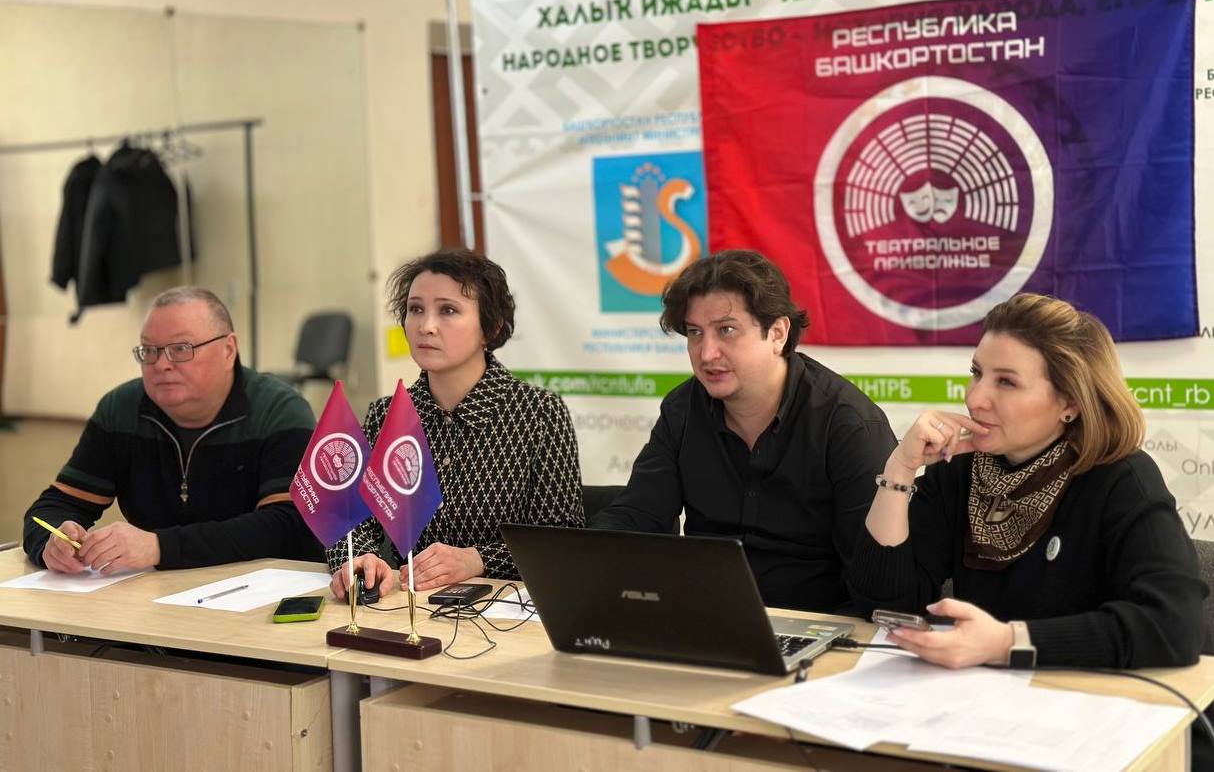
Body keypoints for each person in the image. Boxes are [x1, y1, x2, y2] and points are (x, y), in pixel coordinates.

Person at [849, 292, 1206, 670]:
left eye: (1006, 382)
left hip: (1088, 692)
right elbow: (883, 605)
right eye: (977, 373)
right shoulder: (960, 468)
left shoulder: (1121, 478)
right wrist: (899, 470)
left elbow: (1174, 627)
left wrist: (1006, 643)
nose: (975, 398)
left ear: (1070, 403)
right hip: (981, 692)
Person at [591, 250, 897, 613]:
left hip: (818, 622)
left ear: (777, 334)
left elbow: (877, 578)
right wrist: (577, 557)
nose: (706, 353)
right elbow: (641, 513)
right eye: (695, 333)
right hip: (707, 617)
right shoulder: (682, 409)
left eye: (727, 330)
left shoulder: (849, 425)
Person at [327, 249, 584, 599]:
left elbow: (561, 541)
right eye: (416, 309)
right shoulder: (386, 414)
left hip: (502, 611)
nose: (426, 326)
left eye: (448, 310)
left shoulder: (539, 413)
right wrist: (360, 559)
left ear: (490, 328)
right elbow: (348, 520)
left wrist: (479, 559)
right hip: (404, 608)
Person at [23, 287, 322, 573]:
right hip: (157, 592)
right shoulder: (121, 410)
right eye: (149, 350)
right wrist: (51, 542)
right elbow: (53, 507)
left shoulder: (280, 412)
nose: (161, 364)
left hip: (262, 592)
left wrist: (160, 547)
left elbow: (287, 526)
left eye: (181, 349)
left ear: (228, 350)